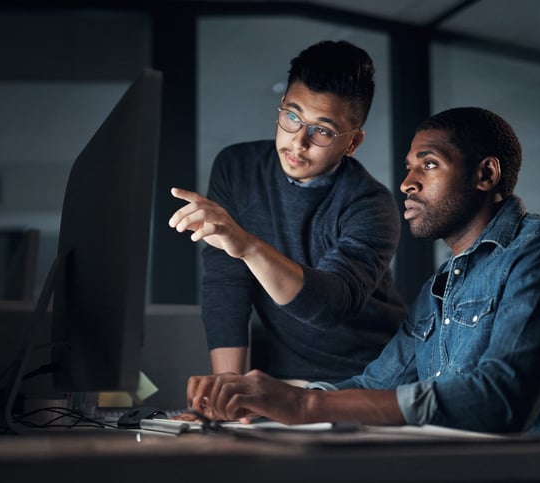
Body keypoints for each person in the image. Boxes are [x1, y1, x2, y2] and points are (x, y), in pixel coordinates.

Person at [182, 107, 540, 436]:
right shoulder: (440, 288)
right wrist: (275, 399)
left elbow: (499, 401)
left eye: (428, 164)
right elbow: (373, 384)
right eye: (408, 166)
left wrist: (307, 408)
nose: (406, 182)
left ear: (486, 174)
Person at [168, 40, 406, 384]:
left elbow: (329, 307)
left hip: (375, 377)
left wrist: (247, 246)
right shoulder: (237, 168)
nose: (298, 141)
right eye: (292, 116)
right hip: (288, 380)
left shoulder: (371, 205)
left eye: (322, 130)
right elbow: (226, 284)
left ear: (352, 143)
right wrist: (228, 387)